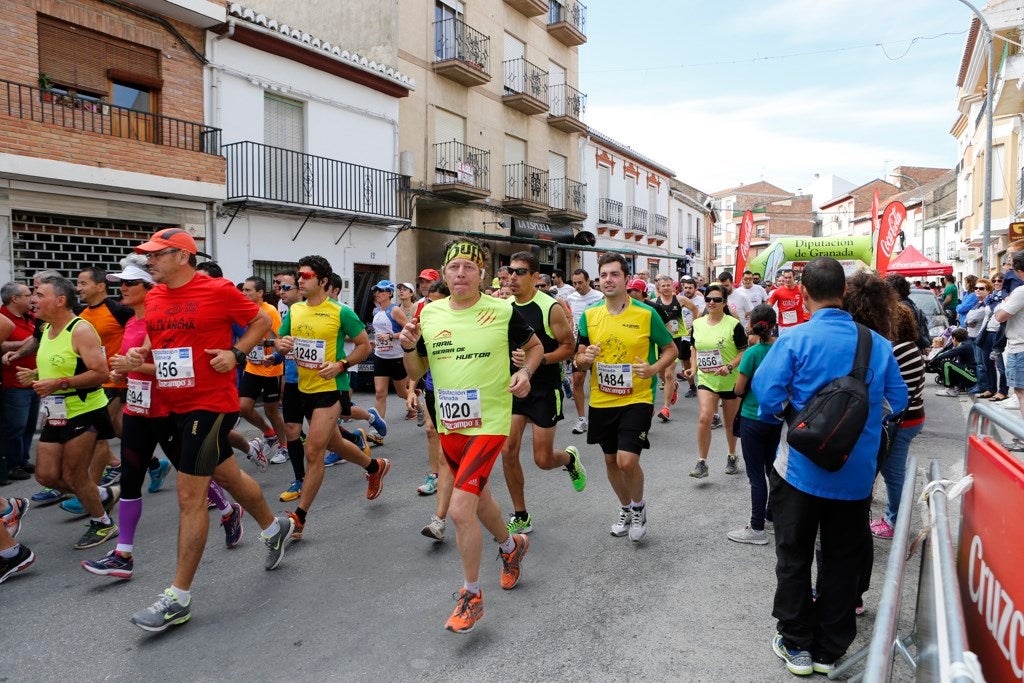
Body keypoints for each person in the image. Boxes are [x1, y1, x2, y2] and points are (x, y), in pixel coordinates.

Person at [124, 228, 295, 632]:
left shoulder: (217, 290)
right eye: (147, 254)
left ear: (183, 256)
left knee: (190, 495)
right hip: (173, 404)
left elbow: (257, 320)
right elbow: (160, 339)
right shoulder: (155, 296)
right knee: (230, 476)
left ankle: (177, 598)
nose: (149, 261)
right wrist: (140, 352)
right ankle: (276, 527)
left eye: (156, 254)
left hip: (211, 404)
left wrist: (235, 354)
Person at [753, 256, 907, 676]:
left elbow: (767, 398)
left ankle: (796, 643)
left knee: (794, 554)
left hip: (800, 469)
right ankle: (829, 650)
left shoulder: (793, 339)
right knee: (841, 558)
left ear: (802, 295)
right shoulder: (877, 344)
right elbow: (900, 401)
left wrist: (796, 414)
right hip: (854, 476)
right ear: (844, 293)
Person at [400, 237, 541, 634]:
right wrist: (408, 347)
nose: (460, 273)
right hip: (450, 424)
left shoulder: (501, 310)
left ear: (482, 273)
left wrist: (525, 372)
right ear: (444, 273)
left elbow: (535, 348)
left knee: (460, 509)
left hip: (490, 421)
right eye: (454, 267)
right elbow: (415, 372)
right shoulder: (428, 313)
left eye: (469, 267)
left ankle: (471, 595)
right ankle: (512, 547)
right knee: (479, 500)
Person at [275, 255, 386, 540]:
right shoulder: (295, 310)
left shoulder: (340, 312)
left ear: (323, 281)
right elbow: (281, 341)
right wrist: (282, 344)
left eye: (306, 275)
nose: (300, 279)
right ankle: (375, 467)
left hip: (330, 389)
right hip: (301, 387)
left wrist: (341, 365)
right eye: (299, 275)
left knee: (314, 451)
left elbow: (364, 345)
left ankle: (299, 517)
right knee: (335, 442)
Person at [575, 253, 677, 542]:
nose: (608, 280)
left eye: (614, 274)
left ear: (624, 278)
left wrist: (654, 368)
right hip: (602, 399)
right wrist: (585, 357)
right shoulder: (590, 315)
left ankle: (638, 507)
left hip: (637, 398)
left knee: (626, 461)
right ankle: (625, 508)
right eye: (603, 275)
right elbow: (578, 359)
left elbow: (671, 349)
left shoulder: (646, 314)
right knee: (610, 461)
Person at [18, 275, 120, 548]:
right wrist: (37, 374)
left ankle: (102, 523)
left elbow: (99, 373)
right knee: (47, 476)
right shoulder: (47, 329)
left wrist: (58, 383)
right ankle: (100, 494)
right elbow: (63, 363)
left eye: (39, 295)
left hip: (85, 409)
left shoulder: (81, 329)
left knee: (75, 475)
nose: (34, 300)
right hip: (56, 411)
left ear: (60, 300)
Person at [500, 252, 585, 536]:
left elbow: (569, 347)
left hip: (544, 389)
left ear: (536, 278)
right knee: (508, 451)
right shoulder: (504, 307)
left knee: (543, 460)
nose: (512, 277)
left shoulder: (550, 308)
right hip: (513, 389)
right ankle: (521, 515)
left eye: (520, 272)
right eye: (510, 271)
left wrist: (537, 361)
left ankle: (570, 459)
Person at [870, 303, 925, 539]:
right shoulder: (909, 347)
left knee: (893, 473)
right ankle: (895, 518)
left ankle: (895, 522)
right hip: (912, 416)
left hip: (902, 420)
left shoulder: (897, 350)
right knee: (893, 471)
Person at [727, 304, 780, 545]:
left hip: (752, 416)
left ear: (752, 326)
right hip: (776, 417)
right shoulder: (782, 348)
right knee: (773, 469)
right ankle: (771, 515)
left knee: (756, 475)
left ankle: (757, 527)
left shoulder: (752, 353)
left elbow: (739, 389)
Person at [686, 283, 747, 479]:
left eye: (717, 299)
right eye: (708, 299)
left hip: (729, 379)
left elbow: (743, 351)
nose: (711, 302)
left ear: (724, 302)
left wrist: (729, 366)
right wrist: (693, 368)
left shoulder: (733, 324)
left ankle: (732, 455)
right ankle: (702, 462)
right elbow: (694, 348)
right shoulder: (698, 323)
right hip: (707, 378)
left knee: (730, 423)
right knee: (705, 416)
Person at [238, 276, 288, 462]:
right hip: (252, 366)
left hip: (270, 368)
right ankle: (269, 433)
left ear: (260, 293)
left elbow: (281, 340)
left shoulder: (270, 311)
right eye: (243, 290)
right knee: (243, 407)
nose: (244, 293)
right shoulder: (245, 311)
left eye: (248, 290)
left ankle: (285, 446)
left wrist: (264, 341)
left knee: (271, 410)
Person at [1, 282, 40, 483]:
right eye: (27, 295)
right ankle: (12, 464)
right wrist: (25, 343)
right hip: (14, 382)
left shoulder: (31, 317)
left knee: (29, 424)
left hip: (33, 379)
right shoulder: (3, 319)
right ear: (14, 299)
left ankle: (23, 459)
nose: (32, 298)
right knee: (15, 425)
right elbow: (1, 346)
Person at [650, 274, 697, 422]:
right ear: (658, 287)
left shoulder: (680, 300)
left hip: (675, 340)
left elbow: (695, 309)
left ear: (673, 286)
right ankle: (674, 386)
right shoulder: (653, 302)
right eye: (663, 286)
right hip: (660, 342)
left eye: (668, 285)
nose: (665, 288)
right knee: (661, 374)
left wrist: (694, 326)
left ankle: (665, 408)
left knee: (669, 374)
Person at [565, 268, 604, 434]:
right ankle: (582, 419)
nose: (577, 286)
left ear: (588, 281)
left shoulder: (599, 296)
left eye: (580, 283)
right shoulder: (571, 298)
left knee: (599, 380)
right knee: (577, 379)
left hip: (598, 341)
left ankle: (602, 414)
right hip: (580, 341)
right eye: (574, 283)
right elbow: (570, 318)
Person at [369, 280, 410, 427]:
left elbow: (409, 330)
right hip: (380, 356)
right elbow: (380, 332)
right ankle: (378, 429)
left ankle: (418, 407)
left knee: (402, 393)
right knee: (380, 393)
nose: (377, 293)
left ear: (390, 293)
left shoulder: (395, 310)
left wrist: (390, 337)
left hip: (396, 357)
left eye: (381, 291)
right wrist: (375, 342)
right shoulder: (375, 311)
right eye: (376, 291)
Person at [994, 250, 1024, 421]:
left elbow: (1001, 316)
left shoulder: (1020, 291)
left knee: (1021, 392)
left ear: (1019, 270)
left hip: (1020, 346)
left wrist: (1003, 304)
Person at [930, 328, 976, 397]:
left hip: (973, 377)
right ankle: (958, 387)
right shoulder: (968, 342)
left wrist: (932, 361)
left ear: (954, 338)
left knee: (946, 364)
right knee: (954, 364)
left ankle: (950, 390)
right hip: (972, 374)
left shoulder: (964, 346)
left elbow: (943, 355)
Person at [767, 269, 808, 334]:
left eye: (789, 277)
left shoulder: (800, 289)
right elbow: (768, 307)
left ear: (794, 277)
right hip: (784, 326)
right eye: (786, 278)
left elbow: (809, 301)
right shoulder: (778, 291)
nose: (787, 280)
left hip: (798, 324)